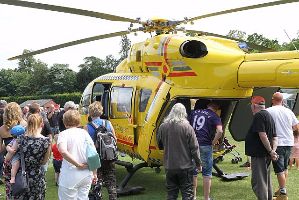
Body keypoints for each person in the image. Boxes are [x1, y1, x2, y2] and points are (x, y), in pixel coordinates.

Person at [157, 103, 201, 200]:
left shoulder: (163, 127)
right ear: (184, 113)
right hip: (185, 166)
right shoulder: (187, 127)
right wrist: (198, 163)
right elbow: (194, 147)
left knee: (171, 194)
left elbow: (159, 144)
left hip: (169, 166)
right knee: (187, 194)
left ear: (171, 112)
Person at [58, 110, 97, 199]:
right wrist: (94, 173)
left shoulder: (63, 134)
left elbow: (63, 151)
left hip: (71, 173)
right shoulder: (84, 133)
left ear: (64, 122)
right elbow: (93, 153)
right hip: (86, 173)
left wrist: (77, 164)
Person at [266, 92, 299, 200]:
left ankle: (283, 194)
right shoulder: (289, 111)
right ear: (283, 100)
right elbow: (296, 127)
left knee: (279, 169)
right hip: (289, 142)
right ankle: (281, 189)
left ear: (272, 100)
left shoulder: (268, 111)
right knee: (284, 167)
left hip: (277, 143)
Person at [245, 96, 278, 200]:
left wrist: (270, 151)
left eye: (251, 105)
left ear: (254, 106)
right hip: (266, 154)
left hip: (259, 154)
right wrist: (273, 151)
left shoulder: (259, 116)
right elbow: (275, 137)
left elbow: (262, 134)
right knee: (266, 180)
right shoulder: (269, 115)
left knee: (258, 182)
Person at [189, 100, 223, 200]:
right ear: (216, 108)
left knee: (193, 172)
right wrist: (213, 142)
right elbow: (220, 131)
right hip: (205, 145)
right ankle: (206, 198)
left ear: (208, 105)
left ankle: (193, 197)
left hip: (193, 144)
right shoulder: (214, 116)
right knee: (207, 173)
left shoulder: (194, 112)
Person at [85, 101, 117, 200]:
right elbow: (115, 139)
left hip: (95, 158)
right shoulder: (108, 123)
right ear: (101, 112)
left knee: (97, 180)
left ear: (90, 113)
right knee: (111, 180)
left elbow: (86, 144)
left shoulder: (88, 126)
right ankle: (113, 197)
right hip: (109, 155)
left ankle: (98, 197)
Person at [15, 113, 51, 199]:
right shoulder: (46, 142)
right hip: (37, 176)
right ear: (42, 124)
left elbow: (10, 156)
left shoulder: (20, 139)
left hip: (22, 175)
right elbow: (44, 161)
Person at [0, 102, 27, 199]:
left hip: (9, 161)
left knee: (10, 188)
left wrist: (7, 146)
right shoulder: (25, 125)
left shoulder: (2, 129)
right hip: (24, 161)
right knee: (24, 186)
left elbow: (0, 149)